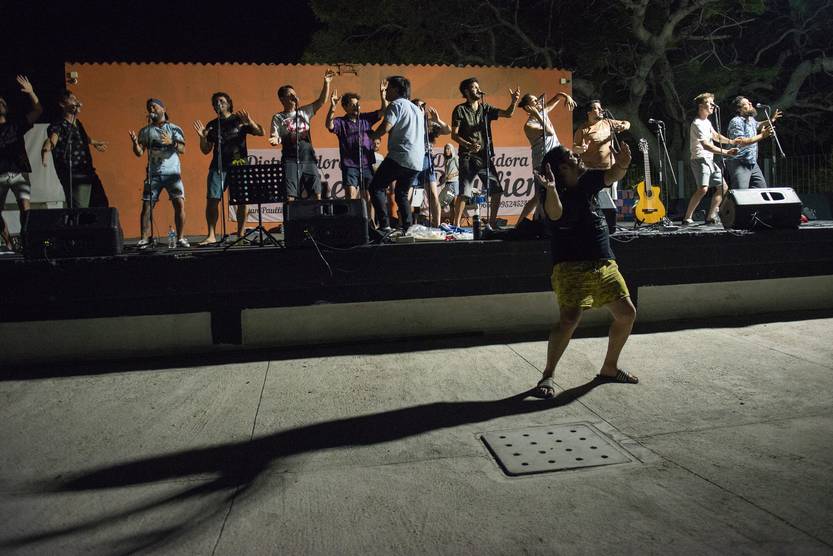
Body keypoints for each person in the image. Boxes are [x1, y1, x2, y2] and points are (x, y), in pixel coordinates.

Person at [533, 142, 638, 398]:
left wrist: (623, 163)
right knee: (569, 320)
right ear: (562, 167)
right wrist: (551, 189)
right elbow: (555, 214)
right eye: (572, 156)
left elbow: (612, 175)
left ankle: (609, 368)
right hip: (570, 266)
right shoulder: (553, 193)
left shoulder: (587, 180)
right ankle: (548, 375)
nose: (578, 156)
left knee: (626, 314)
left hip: (604, 262)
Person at [193, 92, 264, 245]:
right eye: (215, 102)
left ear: (229, 103)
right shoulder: (212, 124)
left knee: (242, 201)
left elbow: (260, 132)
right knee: (212, 200)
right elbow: (205, 150)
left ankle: (240, 235)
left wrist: (250, 122)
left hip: (239, 166)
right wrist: (202, 138)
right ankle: (211, 235)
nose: (218, 104)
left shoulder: (239, 120)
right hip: (218, 167)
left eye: (221, 101)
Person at [451, 78, 521, 229]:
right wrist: (468, 145)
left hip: (485, 157)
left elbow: (508, 114)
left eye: (478, 87)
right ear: (466, 92)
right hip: (467, 157)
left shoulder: (485, 108)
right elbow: (454, 135)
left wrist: (514, 101)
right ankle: (456, 226)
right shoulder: (460, 110)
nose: (478, 89)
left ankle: (492, 222)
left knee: (496, 190)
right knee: (464, 192)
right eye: (474, 87)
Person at [367, 75, 424, 231]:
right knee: (401, 193)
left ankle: (384, 225)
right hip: (416, 161)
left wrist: (372, 135)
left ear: (396, 89)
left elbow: (386, 126)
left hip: (400, 155)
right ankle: (408, 227)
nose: (386, 91)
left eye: (389, 88)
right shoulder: (416, 109)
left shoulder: (396, 104)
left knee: (376, 187)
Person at [129, 98, 188, 248]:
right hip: (153, 174)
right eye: (149, 107)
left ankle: (180, 238)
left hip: (172, 173)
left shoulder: (174, 129)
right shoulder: (145, 131)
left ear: (163, 109)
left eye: (154, 107)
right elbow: (139, 153)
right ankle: (144, 238)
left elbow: (183, 149)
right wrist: (135, 144)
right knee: (147, 205)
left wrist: (172, 142)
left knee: (179, 203)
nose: (151, 109)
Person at [269, 69, 335, 202]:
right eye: (290, 95)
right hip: (290, 159)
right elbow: (274, 136)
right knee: (290, 195)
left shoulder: (304, 112)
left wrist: (326, 83)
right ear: (282, 99)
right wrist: (275, 139)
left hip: (308, 158)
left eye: (294, 94)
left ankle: (316, 214)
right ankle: (291, 216)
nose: (294, 96)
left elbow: (322, 101)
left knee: (316, 192)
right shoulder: (278, 117)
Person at [41, 90, 109, 209]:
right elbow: (52, 140)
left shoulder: (78, 123)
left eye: (76, 99)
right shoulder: (58, 124)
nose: (76, 101)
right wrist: (46, 149)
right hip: (73, 173)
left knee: (102, 204)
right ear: (62, 104)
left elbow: (81, 138)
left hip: (88, 171)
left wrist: (94, 142)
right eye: (72, 99)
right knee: (80, 209)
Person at [516, 91, 576, 222]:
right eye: (534, 101)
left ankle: (548, 220)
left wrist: (566, 96)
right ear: (528, 107)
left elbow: (557, 97)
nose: (538, 102)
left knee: (556, 191)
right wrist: (538, 114)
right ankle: (521, 223)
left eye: (537, 100)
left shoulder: (543, 112)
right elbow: (549, 132)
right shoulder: (529, 125)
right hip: (541, 162)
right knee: (539, 196)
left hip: (555, 160)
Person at [325, 80, 388, 201]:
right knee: (351, 195)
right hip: (350, 165)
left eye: (357, 104)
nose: (356, 106)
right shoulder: (341, 122)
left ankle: (369, 215)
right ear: (345, 107)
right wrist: (332, 107)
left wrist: (383, 95)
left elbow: (384, 111)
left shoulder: (366, 118)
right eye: (352, 104)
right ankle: (353, 215)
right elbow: (329, 125)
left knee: (369, 197)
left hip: (366, 164)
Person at [682, 93, 739, 225]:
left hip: (710, 160)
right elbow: (706, 145)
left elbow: (715, 136)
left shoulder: (707, 122)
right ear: (701, 106)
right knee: (703, 189)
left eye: (713, 102)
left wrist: (731, 141)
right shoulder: (697, 123)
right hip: (700, 159)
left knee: (723, 188)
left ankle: (711, 216)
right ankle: (687, 217)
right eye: (710, 103)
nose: (713, 105)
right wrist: (727, 152)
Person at [0, 75, 41, 253]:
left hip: (18, 173)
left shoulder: (16, 124)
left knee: (25, 208)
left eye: (2, 101)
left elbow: (38, 110)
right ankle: (9, 242)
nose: (0, 103)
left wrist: (31, 92)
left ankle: (26, 241)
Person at [573, 100, 630, 200]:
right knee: (594, 202)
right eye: (597, 108)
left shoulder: (608, 123)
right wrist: (581, 149)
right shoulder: (582, 129)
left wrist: (624, 126)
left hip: (610, 172)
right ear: (589, 112)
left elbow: (627, 123)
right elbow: (574, 148)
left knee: (610, 203)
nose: (601, 110)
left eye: (601, 108)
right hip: (592, 173)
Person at [725, 96, 781, 190]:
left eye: (749, 102)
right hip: (739, 162)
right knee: (740, 193)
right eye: (747, 103)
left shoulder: (750, 119)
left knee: (761, 190)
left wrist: (771, 120)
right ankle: (726, 200)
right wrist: (762, 135)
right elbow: (741, 142)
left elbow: (758, 125)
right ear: (739, 109)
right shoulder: (736, 122)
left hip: (752, 162)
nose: (750, 103)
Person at [411, 99, 451, 227]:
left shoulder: (429, 124)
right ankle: (409, 224)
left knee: (433, 194)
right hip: (413, 160)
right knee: (413, 195)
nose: (421, 108)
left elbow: (448, 130)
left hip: (427, 160)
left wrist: (437, 120)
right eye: (418, 106)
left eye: (423, 106)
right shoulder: (410, 121)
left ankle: (436, 225)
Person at [441, 143, 459, 223]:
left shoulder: (455, 158)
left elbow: (461, 170)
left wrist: (453, 175)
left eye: (448, 149)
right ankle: (452, 223)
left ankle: (456, 223)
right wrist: (443, 176)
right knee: (451, 205)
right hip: (447, 183)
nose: (446, 150)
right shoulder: (446, 160)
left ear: (452, 150)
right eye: (445, 149)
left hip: (454, 182)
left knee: (455, 205)